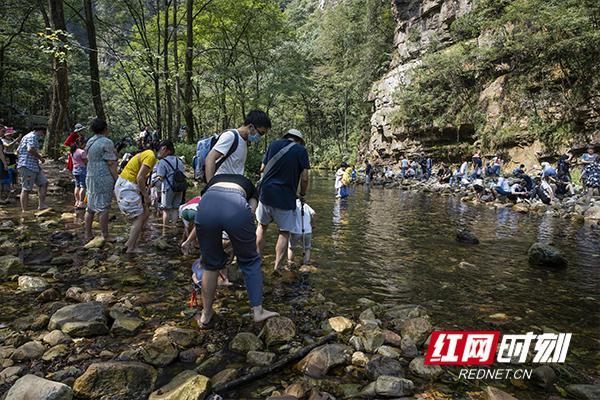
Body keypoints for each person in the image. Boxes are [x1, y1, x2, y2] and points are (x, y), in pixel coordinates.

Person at [195, 173, 279, 327]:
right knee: (250, 261)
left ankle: (206, 315)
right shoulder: (249, 186)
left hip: (206, 207)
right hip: (236, 207)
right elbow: (250, 213)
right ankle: (258, 311)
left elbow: (204, 204)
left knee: (210, 265)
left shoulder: (213, 181)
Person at [256, 129, 310, 272]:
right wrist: (302, 194)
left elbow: (262, 168)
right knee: (284, 232)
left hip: (266, 194)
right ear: (299, 140)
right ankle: (277, 267)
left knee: (262, 227)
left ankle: (257, 260)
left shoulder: (273, 144)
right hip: (286, 197)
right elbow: (304, 178)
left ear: (286, 136)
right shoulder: (301, 151)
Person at [114, 137, 157, 254]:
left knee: (145, 213)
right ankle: (131, 247)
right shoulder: (151, 156)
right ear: (163, 149)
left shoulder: (147, 154)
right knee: (139, 217)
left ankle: (129, 242)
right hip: (127, 187)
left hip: (126, 185)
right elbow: (140, 178)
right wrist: (146, 196)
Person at [204, 110, 271, 181]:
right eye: (261, 133)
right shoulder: (230, 136)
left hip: (234, 185)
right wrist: (210, 184)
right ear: (251, 127)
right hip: (221, 184)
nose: (260, 136)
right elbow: (210, 157)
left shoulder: (244, 141)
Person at [84, 118, 118, 242]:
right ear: (105, 128)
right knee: (104, 207)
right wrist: (117, 179)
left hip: (90, 175)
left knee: (90, 206)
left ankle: (87, 234)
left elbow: (84, 157)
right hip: (103, 176)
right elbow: (110, 163)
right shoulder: (107, 142)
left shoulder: (90, 141)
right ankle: (105, 235)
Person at [16, 126, 48, 212]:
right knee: (26, 189)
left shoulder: (26, 137)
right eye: (43, 133)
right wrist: (40, 158)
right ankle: (24, 211)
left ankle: (41, 205)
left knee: (44, 183)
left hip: (34, 166)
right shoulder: (32, 137)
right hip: (27, 166)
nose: (43, 135)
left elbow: (18, 150)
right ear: (40, 131)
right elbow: (30, 149)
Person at [156, 140, 186, 227]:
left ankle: (165, 229)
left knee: (166, 209)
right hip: (179, 187)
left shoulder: (162, 162)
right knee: (175, 209)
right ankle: (173, 226)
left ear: (165, 149)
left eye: (160, 149)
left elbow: (160, 177)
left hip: (168, 188)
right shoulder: (179, 160)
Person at [288, 199, 316, 266]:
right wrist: (314, 224)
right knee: (307, 248)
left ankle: (290, 263)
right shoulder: (305, 205)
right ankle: (306, 263)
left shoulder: (292, 205)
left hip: (295, 230)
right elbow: (314, 213)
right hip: (307, 230)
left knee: (291, 248)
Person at [71, 137, 88, 209]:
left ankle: (77, 201)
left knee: (77, 186)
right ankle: (81, 202)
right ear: (81, 143)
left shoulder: (73, 151)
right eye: (84, 144)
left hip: (75, 169)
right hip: (82, 170)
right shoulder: (82, 152)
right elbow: (86, 162)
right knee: (83, 186)